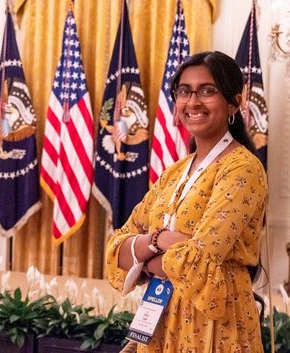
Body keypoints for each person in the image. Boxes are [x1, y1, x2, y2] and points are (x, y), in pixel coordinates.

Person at [106, 51, 268, 353]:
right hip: (161, 316)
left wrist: (145, 254)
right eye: (184, 91)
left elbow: (200, 262)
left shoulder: (242, 169)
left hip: (215, 323)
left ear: (234, 102)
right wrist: (162, 240)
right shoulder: (174, 172)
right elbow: (117, 250)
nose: (193, 102)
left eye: (208, 91)